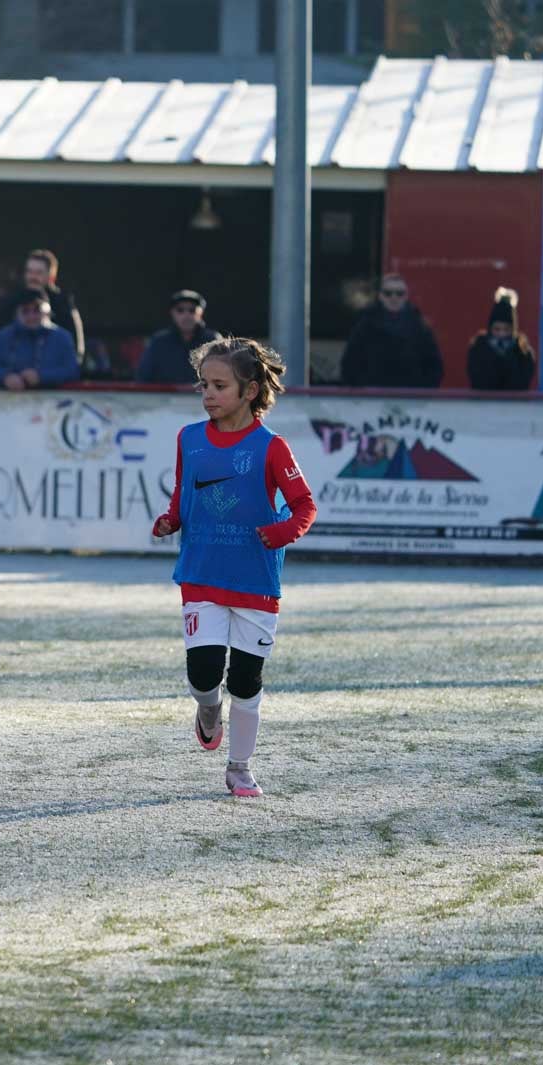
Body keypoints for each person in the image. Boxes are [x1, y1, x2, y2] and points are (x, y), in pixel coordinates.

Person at [151, 336, 317, 799]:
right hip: (202, 573)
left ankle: (240, 767)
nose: (207, 394)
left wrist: (283, 532)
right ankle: (207, 710)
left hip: (256, 581)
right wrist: (171, 519)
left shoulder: (271, 447)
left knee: (245, 681)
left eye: (219, 386)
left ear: (249, 390)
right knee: (204, 672)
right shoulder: (189, 438)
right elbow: (185, 494)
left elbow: (304, 505)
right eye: (203, 384)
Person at [340, 274, 443, 388]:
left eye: (400, 293)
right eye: (388, 293)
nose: (394, 297)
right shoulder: (364, 326)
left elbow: (434, 366)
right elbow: (349, 364)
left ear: (406, 296)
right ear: (380, 296)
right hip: (372, 398)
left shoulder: (421, 328)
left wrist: (421, 393)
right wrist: (362, 390)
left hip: (411, 400)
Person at [0, 289, 80, 390]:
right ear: (17, 313)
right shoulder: (4, 335)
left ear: (47, 312)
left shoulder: (62, 337)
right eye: (25, 311)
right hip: (10, 400)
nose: (31, 316)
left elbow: (73, 370)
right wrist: (5, 377)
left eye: (37, 310)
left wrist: (42, 376)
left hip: (54, 402)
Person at [0, 249, 84, 356]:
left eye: (39, 273)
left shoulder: (63, 303)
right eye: (29, 271)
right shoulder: (13, 301)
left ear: (51, 277)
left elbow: (75, 347)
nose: (33, 277)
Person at [136, 289, 220, 384]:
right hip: (163, 398)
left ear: (201, 313)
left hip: (202, 397)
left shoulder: (213, 340)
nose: (186, 315)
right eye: (180, 310)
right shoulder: (158, 341)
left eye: (192, 310)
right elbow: (143, 378)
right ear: (172, 313)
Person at [467, 287, 538, 391]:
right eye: (497, 329)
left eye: (506, 329)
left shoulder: (523, 352)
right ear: (490, 328)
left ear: (513, 330)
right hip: (484, 405)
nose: (501, 334)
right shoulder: (478, 348)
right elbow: (478, 382)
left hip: (513, 405)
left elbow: (521, 384)